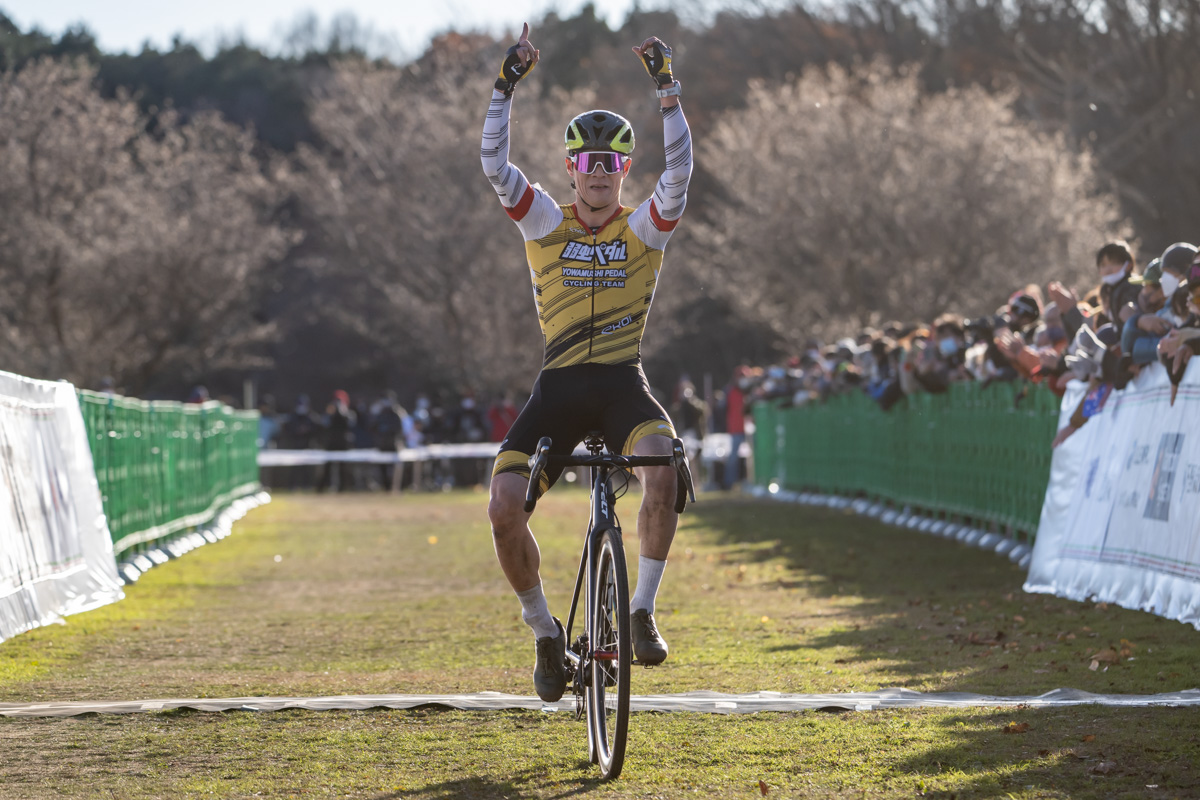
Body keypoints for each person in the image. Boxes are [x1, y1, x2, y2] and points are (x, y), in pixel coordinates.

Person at [480, 23, 693, 703]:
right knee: (504, 506)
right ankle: (545, 634)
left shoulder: (642, 228)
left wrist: (668, 92)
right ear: (572, 170)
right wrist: (504, 86)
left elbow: (682, 171)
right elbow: (493, 164)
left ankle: (640, 612)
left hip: (623, 385)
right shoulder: (544, 221)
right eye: (588, 163)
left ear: (623, 173)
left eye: (611, 164)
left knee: (663, 465)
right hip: (561, 389)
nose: (599, 173)